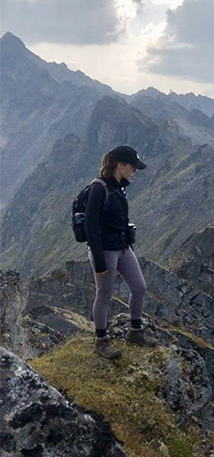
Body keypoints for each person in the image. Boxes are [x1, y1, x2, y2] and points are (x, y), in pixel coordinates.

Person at [85, 145, 157, 359]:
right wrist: (99, 261)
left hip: (123, 247)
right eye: (132, 167)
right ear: (120, 165)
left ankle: (135, 331)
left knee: (139, 287)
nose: (134, 171)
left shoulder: (119, 186)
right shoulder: (99, 188)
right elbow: (91, 226)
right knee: (105, 295)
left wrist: (128, 244)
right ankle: (101, 341)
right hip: (106, 251)